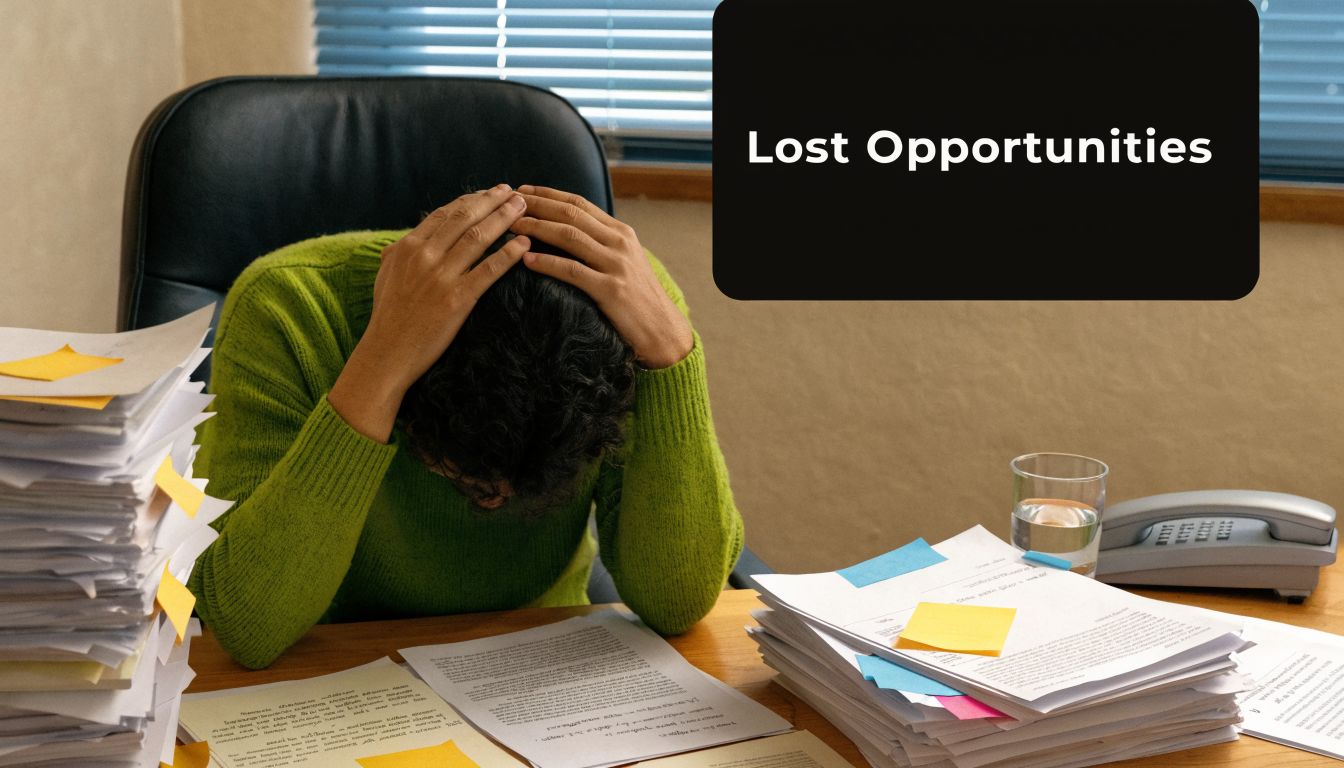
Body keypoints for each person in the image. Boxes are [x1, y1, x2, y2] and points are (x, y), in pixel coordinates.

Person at [190, 184, 743, 669]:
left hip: (541, 661)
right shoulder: (285, 306)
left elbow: (677, 602)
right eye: (462, 475)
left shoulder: (628, 312)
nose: (496, 502)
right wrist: (381, 361)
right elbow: (246, 627)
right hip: (331, 662)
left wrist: (674, 359)